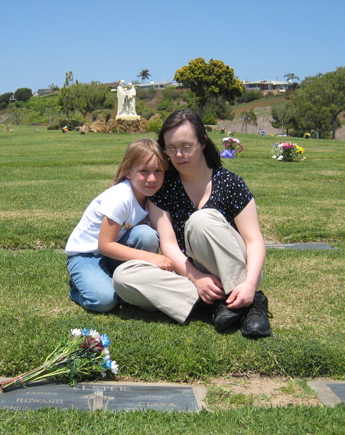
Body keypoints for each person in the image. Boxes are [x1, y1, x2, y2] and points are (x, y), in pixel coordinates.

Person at [112, 110, 272, 338]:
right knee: (124, 277)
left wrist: (250, 283)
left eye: (186, 146)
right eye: (171, 148)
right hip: (188, 272)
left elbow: (254, 240)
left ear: (203, 143)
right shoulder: (163, 188)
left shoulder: (230, 183)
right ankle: (215, 301)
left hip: (237, 270)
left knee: (201, 219)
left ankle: (250, 300)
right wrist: (196, 278)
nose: (179, 155)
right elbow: (168, 246)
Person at [66, 139, 173, 312]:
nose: (152, 178)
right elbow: (104, 245)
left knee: (146, 234)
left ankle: (120, 279)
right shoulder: (120, 198)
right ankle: (77, 287)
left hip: (114, 252)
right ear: (128, 172)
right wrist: (151, 258)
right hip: (87, 255)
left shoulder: (152, 198)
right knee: (105, 301)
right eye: (144, 171)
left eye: (158, 171)